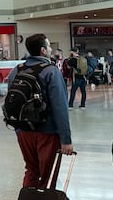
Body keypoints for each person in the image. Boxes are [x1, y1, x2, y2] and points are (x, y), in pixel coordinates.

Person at [7, 34, 74, 189]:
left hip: (22, 130)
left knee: (31, 170)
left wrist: (18, 128)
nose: (51, 49)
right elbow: (60, 107)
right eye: (49, 46)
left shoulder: (17, 70)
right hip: (47, 131)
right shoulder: (51, 71)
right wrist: (66, 139)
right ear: (43, 50)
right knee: (48, 174)